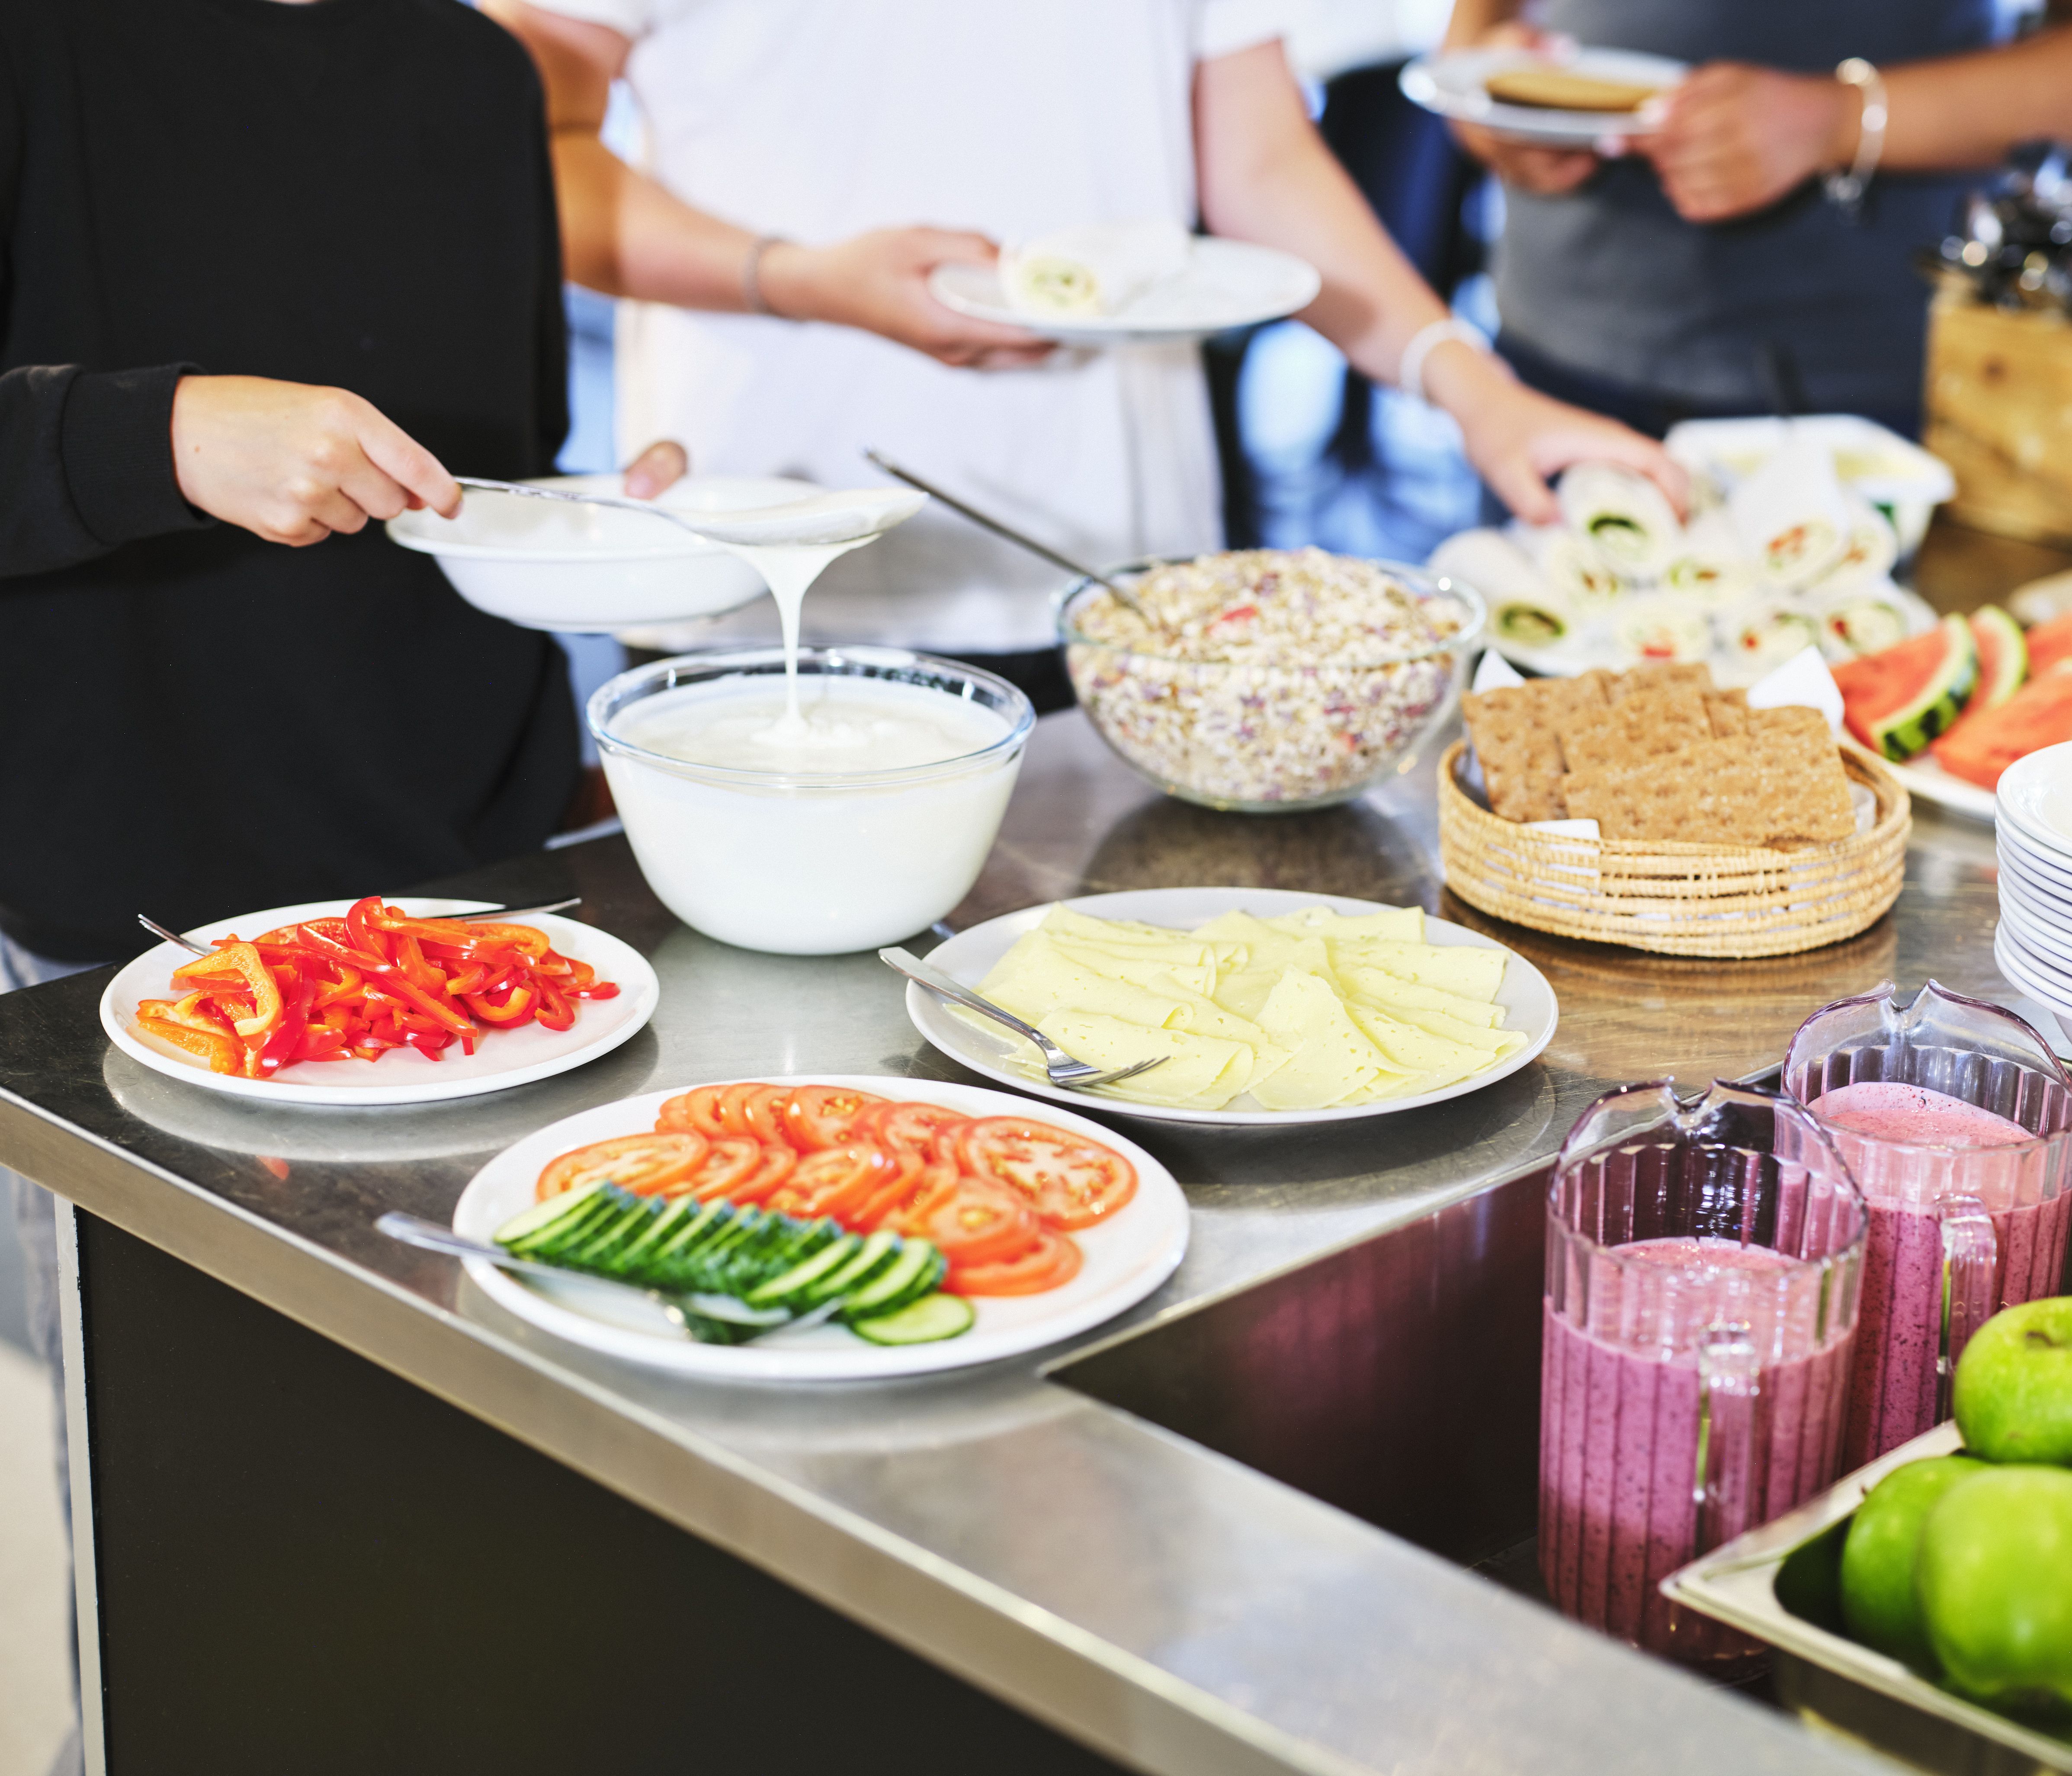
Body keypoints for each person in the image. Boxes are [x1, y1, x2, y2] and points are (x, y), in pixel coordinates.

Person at [0, 6, 667, 1770]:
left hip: (490, 906)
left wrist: (612, 523)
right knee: (189, 1555)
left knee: (481, 1523)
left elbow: (462, 480)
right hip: (127, 940)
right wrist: (158, 435)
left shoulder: (468, 70)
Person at [486, 0, 1689, 704]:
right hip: (763, 568)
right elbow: (517, 143)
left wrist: (1469, 387)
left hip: (1113, 569)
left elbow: (1255, 156)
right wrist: (796, 278)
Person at [1441, 0, 2072, 437]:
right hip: (1550, 348)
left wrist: (1837, 119)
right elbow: (1479, 27)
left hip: (1859, 380)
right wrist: (1485, 83)